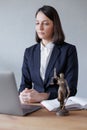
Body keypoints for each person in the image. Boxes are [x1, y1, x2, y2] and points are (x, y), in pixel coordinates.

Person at [19, 5, 78, 104]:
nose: (40, 27)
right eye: (37, 23)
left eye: (45, 23)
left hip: (57, 105)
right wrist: (23, 94)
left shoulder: (68, 50)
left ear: (55, 26)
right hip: (34, 106)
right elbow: (24, 85)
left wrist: (43, 96)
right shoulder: (29, 52)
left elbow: (71, 89)